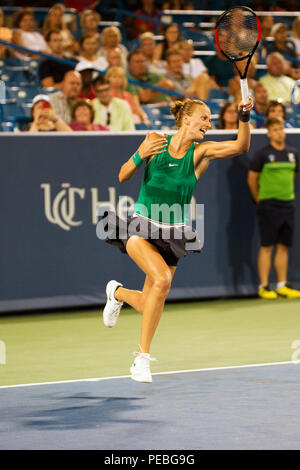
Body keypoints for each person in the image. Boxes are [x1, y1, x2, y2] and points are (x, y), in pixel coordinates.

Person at [100, 95, 253, 383]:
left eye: (209, 119)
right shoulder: (156, 141)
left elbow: (241, 146)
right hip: (140, 227)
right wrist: (140, 154)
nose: (208, 123)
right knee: (161, 280)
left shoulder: (201, 153)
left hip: (173, 233)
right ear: (186, 119)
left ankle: (116, 293)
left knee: (149, 303)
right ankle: (141, 359)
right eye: (204, 118)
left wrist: (244, 117)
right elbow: (122, 176)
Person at [247, 116, 300, 300]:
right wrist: (260, 199)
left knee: (283, 246)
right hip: (268, 205)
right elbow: (252, 180)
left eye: (281, 129)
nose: (280, 132)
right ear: (269, 133)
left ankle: (282, 285)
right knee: (267, 246)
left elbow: (291, 176)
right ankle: (264, 286)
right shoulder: (262, 154)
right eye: (275, 130)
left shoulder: (293, 153)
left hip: (288, 204)